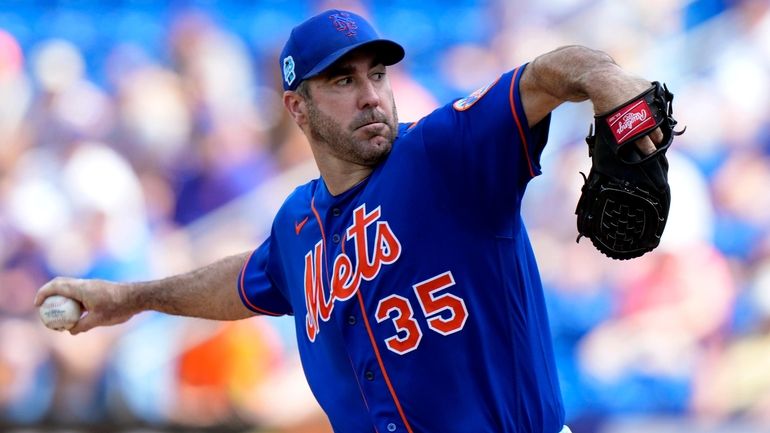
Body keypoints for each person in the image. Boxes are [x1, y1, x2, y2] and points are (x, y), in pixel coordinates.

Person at [35, 9, 667, 433]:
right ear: (298, 107)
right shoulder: (296, 226)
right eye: (342, 79)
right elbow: (247, 283)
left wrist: (607, 83)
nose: (370, 93)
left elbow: (554, 73)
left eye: (378, 73)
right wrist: (129, 297)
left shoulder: (446, 152)